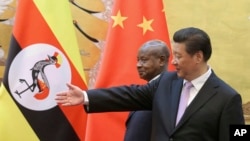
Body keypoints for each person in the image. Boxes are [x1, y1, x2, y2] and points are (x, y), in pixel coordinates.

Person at [55, 27, 245, 141]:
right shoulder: (166, 82)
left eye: (178, 56)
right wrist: (86, 96)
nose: (173, 61)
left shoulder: (228, 98)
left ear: (198, 57)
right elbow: (129, 95)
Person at [124, 39, 170, 141]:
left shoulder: (168, 93)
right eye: (138, 60)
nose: (138, 65)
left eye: (144, 60)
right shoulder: (146, 91)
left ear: (161, 60)